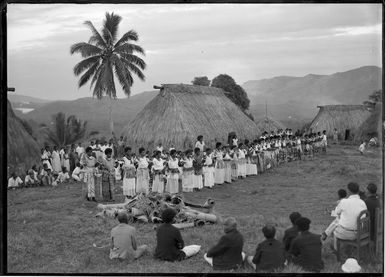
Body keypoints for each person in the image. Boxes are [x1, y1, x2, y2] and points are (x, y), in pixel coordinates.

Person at [331, 182, 367, 249]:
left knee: (334, 229)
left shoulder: (344, 202)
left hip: (345, 234)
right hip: (359, 233)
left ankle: (336, 252)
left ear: (349, 191)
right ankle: (349, 249)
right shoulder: (363, 203)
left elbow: (336, 213)